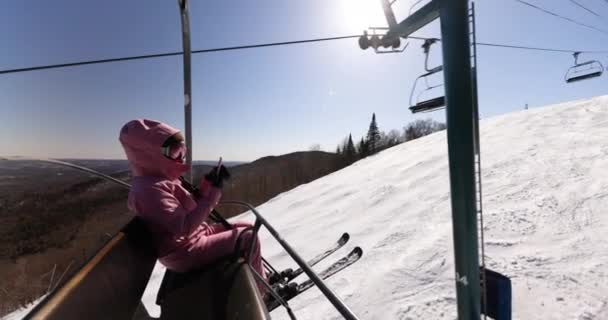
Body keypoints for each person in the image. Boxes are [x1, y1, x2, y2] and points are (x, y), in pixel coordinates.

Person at [118, 119, 265, 287]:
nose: (180, 157)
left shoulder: (161, 179)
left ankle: (261, 278)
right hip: (184, 252)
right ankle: (263, 293)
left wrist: (207, 185)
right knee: (248, 238)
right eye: (174, 151)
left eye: (182, 150)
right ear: (149, 155)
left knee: (246, 227)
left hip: (194, 238)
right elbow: (184, 228)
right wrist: (211, 199)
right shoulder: (148, 191)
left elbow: (189, 207)